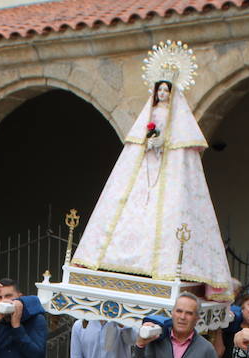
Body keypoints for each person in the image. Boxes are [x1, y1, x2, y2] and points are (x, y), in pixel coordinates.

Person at [71, 74, 232, 303]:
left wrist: (162, 142)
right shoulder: (149, 114)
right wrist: (151, 141)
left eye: (166, 91)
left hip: (170, 170)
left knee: (168, 215)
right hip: (145, 164)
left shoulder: (179, 124)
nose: (162, 94)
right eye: (160, 91)